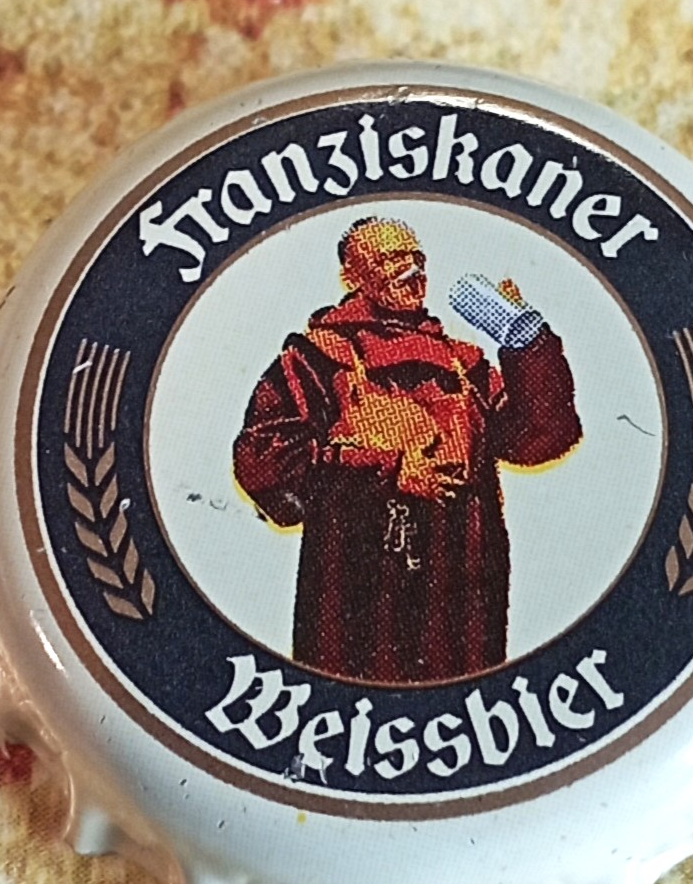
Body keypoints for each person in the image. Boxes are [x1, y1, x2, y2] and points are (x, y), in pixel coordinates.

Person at [233, 216, 582, 683]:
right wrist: (387, 473)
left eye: (417, 259)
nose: (411, 270)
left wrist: (529, 346)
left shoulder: (465, 362)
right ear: (351, 276)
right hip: (358, 581)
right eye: (391, 259)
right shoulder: (315, 357)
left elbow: (541, 438)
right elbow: (264, 461)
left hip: (463, 581)